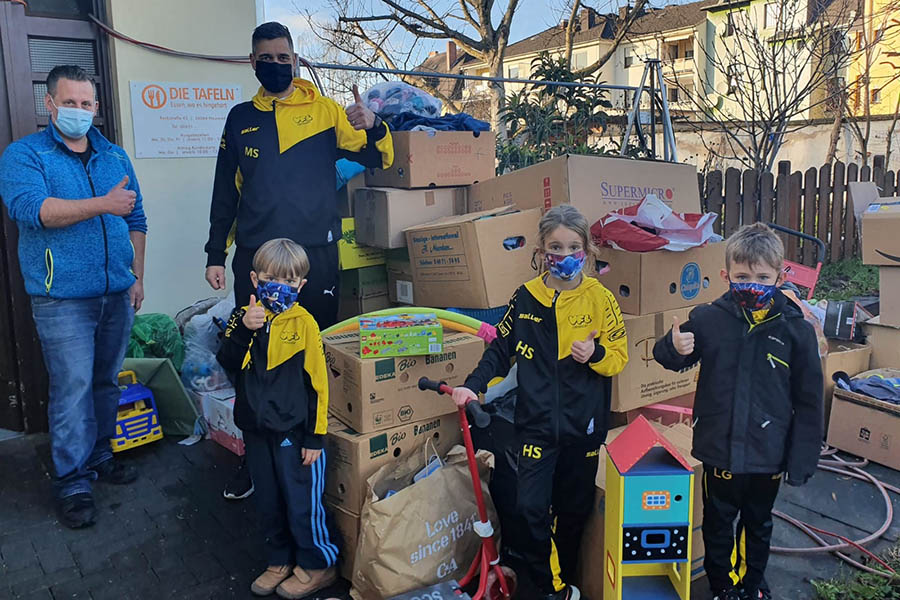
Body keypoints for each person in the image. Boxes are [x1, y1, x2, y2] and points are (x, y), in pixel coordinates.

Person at [205, 21, 392, 501]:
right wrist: (214, 254)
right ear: (253, 63)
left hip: (316, 259)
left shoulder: (327, 111)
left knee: (316, 352)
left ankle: (315, 449)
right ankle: (258, 457)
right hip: (256, 261)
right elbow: (225, 191)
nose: (275, 65)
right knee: (253, 355)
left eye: (283, 58)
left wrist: (375, 125)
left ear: (295, 59)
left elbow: (376, 158)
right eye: (265, 58)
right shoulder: (240, 118)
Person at [451, 205, 629, 600]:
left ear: (586, 249)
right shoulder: (526, 297)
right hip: (535, 425)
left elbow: (619, 355)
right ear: (541, 249)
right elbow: (500, 347)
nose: (564, 256)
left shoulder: (599, 298)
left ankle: (561, 585)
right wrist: (472, 386)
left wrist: (595, 355)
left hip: (582, 428)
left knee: (572, 513)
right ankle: (552, 586)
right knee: (530, 508)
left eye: (572, 247)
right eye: (555, 247)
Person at [0, 65, 146, 529]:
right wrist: (103, 204)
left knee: (105, 381)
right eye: (70, 103)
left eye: (86, 104)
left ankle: (101, 455)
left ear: (96, 108)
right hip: (61, 299)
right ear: (50, 104)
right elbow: (32, 210)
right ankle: (71, 480)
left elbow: (136, 218)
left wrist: (135, 276)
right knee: (73, 389)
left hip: (116, 293)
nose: (79, 111)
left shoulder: (114, 156)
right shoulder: (25, 155)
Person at [653, 223, 823, 600]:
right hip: (720, 449)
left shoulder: (797, 330)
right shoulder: (709, 318)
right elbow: (670, 359)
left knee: (758, 524)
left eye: (762, 276)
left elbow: (810, 400)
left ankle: (751, 586)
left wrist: (802, 458)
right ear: (726, 275)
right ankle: (723, 587)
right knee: (717, 523)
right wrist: (672, 347)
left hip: (769, 453)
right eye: (743, 276)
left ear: (780, 276)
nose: (752, 283)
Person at [216, 238, 337, 599]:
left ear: (300, 285)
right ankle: (279, 559)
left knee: (301, 501)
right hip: (256, 431)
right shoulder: (244, 317)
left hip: (295, 433)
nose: (278, 286)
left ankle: (318, 564)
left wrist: (316, 438)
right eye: (270, 277)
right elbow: (227, 363)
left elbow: (318, 384)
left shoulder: (305, 325)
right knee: (268, 500)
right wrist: (244, 330)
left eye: (288, 280)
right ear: (255, 279)